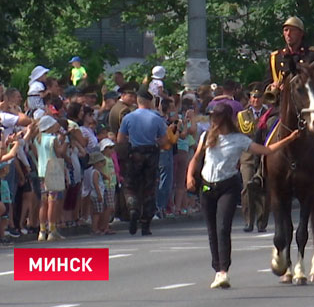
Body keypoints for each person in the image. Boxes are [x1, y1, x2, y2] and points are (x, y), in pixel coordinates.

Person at [186, 103, 299, 289]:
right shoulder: (207, 136)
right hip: (207, 187)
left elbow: (267, 151)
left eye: (216, 116)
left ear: (224, 118)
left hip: (228, 186)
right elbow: (196, 158)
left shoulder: (239, 139)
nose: (212, 119)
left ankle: (223, 271)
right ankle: (217, 269)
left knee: (223, 227)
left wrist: (290, 138)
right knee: (212, 231)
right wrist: (190, 175)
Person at [262, 16, 314, 185]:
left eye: (292, 30)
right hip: (283, 104)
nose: (288, 34)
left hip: (308, 101)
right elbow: (266, 81)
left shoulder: (312, 54)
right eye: (285, 30)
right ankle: (258, 171)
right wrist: (273, 86)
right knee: (261, 128)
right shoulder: (276, 57)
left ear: (300, 33)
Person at [117, 87, 167, 235]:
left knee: (130, 185)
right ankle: (146, 224)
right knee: (149, 189)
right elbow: (164, 141)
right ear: (149, 101)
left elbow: (120, 139)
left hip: (135, 153)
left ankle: (133, 209)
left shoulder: (129, 118)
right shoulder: (157, 118)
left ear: (138, 102)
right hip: (151, 153)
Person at [238, 87, 269, 232]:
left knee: (263, 188)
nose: (256, 100)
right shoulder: (243, 115)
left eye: (259, 97)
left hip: (264, 155)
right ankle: (248, 221)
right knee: (247, 187)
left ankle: (262, 221)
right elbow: (240, 134)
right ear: (250, 99)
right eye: (254, 97)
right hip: (248, 156)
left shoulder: (269, 113)